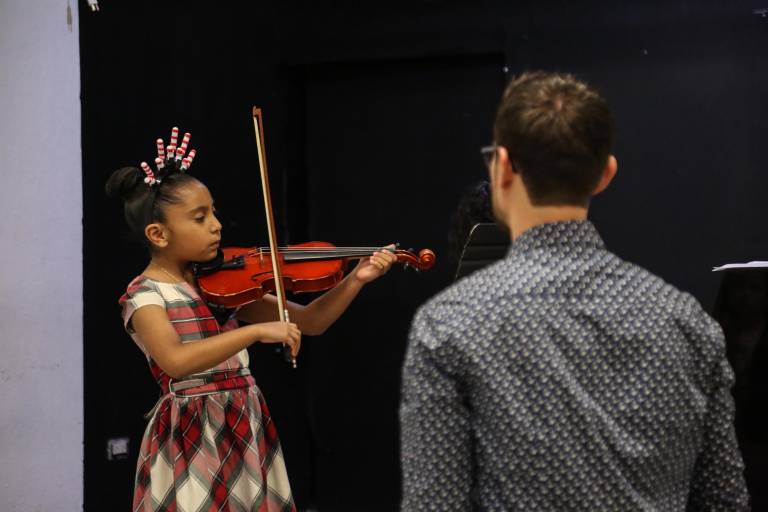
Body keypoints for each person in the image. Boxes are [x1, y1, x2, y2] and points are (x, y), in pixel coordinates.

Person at [399, 72, 749, 510]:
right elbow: (723, 501)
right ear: (605, 174)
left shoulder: (447, 326)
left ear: (502, 167)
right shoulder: (688, 322)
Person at [107, 128, 396, 512]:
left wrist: (356, 279)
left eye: (213, 212)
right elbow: (176, 361)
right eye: (200, 218)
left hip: (243, 417)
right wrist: (256, 332)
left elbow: (310, 320)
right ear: (158, 234)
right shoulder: (145, 295)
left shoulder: (221, 284)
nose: (216, 225)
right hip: (191, 427)